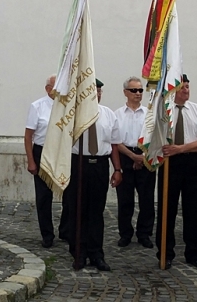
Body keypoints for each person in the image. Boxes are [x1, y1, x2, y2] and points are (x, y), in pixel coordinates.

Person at [155, 74, 197, 270]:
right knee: (167, 208)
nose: (186, 90)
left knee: (194, 209)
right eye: (182, 87)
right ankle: (165, 253)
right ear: (173, 90)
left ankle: (194, 253)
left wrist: (180, 148)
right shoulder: (164, 111)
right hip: (170, 164)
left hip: (193, 163)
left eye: (188, 87)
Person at [63, 79, 123, 271]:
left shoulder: (108, 114)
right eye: (93, 90)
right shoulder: (73, 114)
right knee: (77, 208)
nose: (96, 93)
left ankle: (96, 253)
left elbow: (114, 144)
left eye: (99, 90)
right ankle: (78, 253)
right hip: (78, 163)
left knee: (96, 211)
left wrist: (117, 169)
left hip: (100, 164)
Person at [115, 76, 156, 248]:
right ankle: (125, 234)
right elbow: (115, 141)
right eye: (134, 90)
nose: (138, 93)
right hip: (125, 155)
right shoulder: (117, 114)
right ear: (125, 92)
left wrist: (142, 157)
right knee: (125, 199)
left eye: (140, 90)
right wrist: (133, 157)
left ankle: (144, 233)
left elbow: (154, 138)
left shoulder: (150, 114)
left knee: (146, 199)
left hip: (146, 156)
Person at [25, 75, 57, 248]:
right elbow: (28, 136)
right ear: (48, 88)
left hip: (62, 152)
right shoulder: (37, 106)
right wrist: (31, 161)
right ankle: (47, 234)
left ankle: (67, 230)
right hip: (42, 151)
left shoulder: (68, 106)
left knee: (68, 193)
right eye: (56, 86)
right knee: (44, 196)